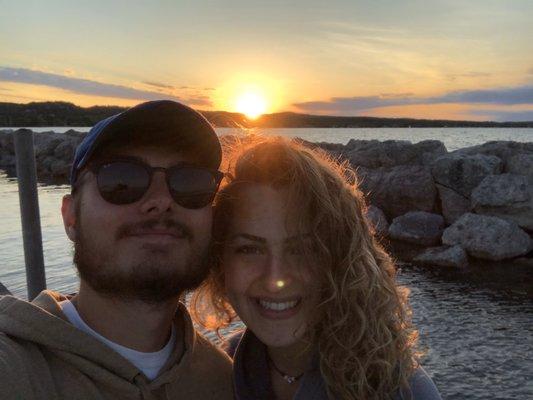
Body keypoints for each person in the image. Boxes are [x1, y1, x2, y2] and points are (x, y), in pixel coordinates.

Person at [0, 100, 233, 399]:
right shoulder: (15, 370)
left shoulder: (224, 381)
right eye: (122, 180)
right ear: (71, 217)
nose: (161, 200)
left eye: (191, 183)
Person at [192, 136, 442, 400]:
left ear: (340, 260)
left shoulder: (402, 391)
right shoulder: (217, 376)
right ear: (220, 262)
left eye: (301, 249)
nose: (275, 278)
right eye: (250, 249)